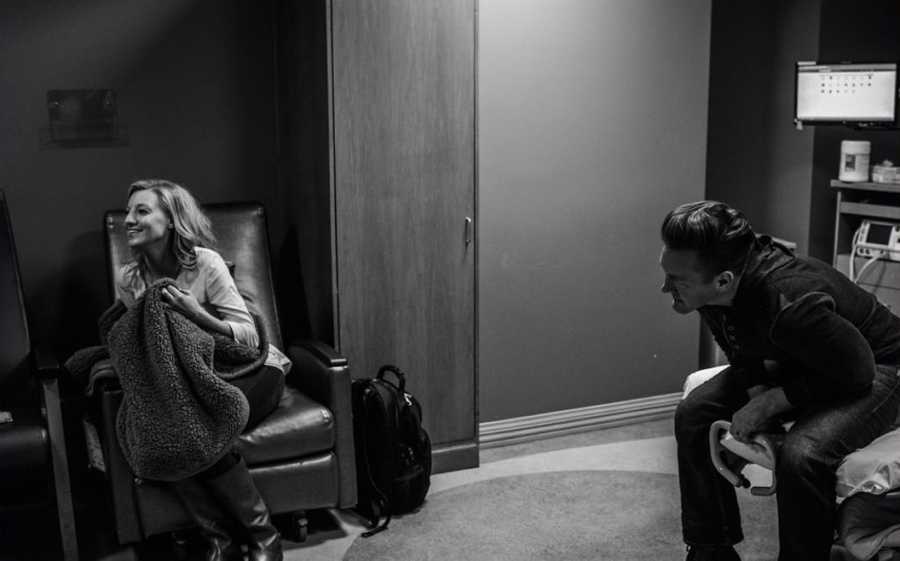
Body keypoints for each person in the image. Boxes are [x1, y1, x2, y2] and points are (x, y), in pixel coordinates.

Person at [660, 201, 900, 561]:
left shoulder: (790, 303)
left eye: (676, 281)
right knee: (694, 413)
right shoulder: (717, 283)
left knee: (802, 455)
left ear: (723, 280)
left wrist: (772, 403)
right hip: (807, 357)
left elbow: (857, 372)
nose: (665, 288)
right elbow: (739, 346)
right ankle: (711, 547)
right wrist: (758, 398)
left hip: (880, 366)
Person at [118, 178, 289, 561]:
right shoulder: (130, 280)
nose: (128, 219)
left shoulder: (205, 264)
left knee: (202, 422)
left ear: (173, 221)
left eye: (141, 211)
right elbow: (144, 349)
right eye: (128, 211)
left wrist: (197, 315)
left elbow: (249, 338)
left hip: (254, 369)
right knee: (170, 422)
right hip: (193, 382)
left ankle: (264, 537)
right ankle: (221, 541)